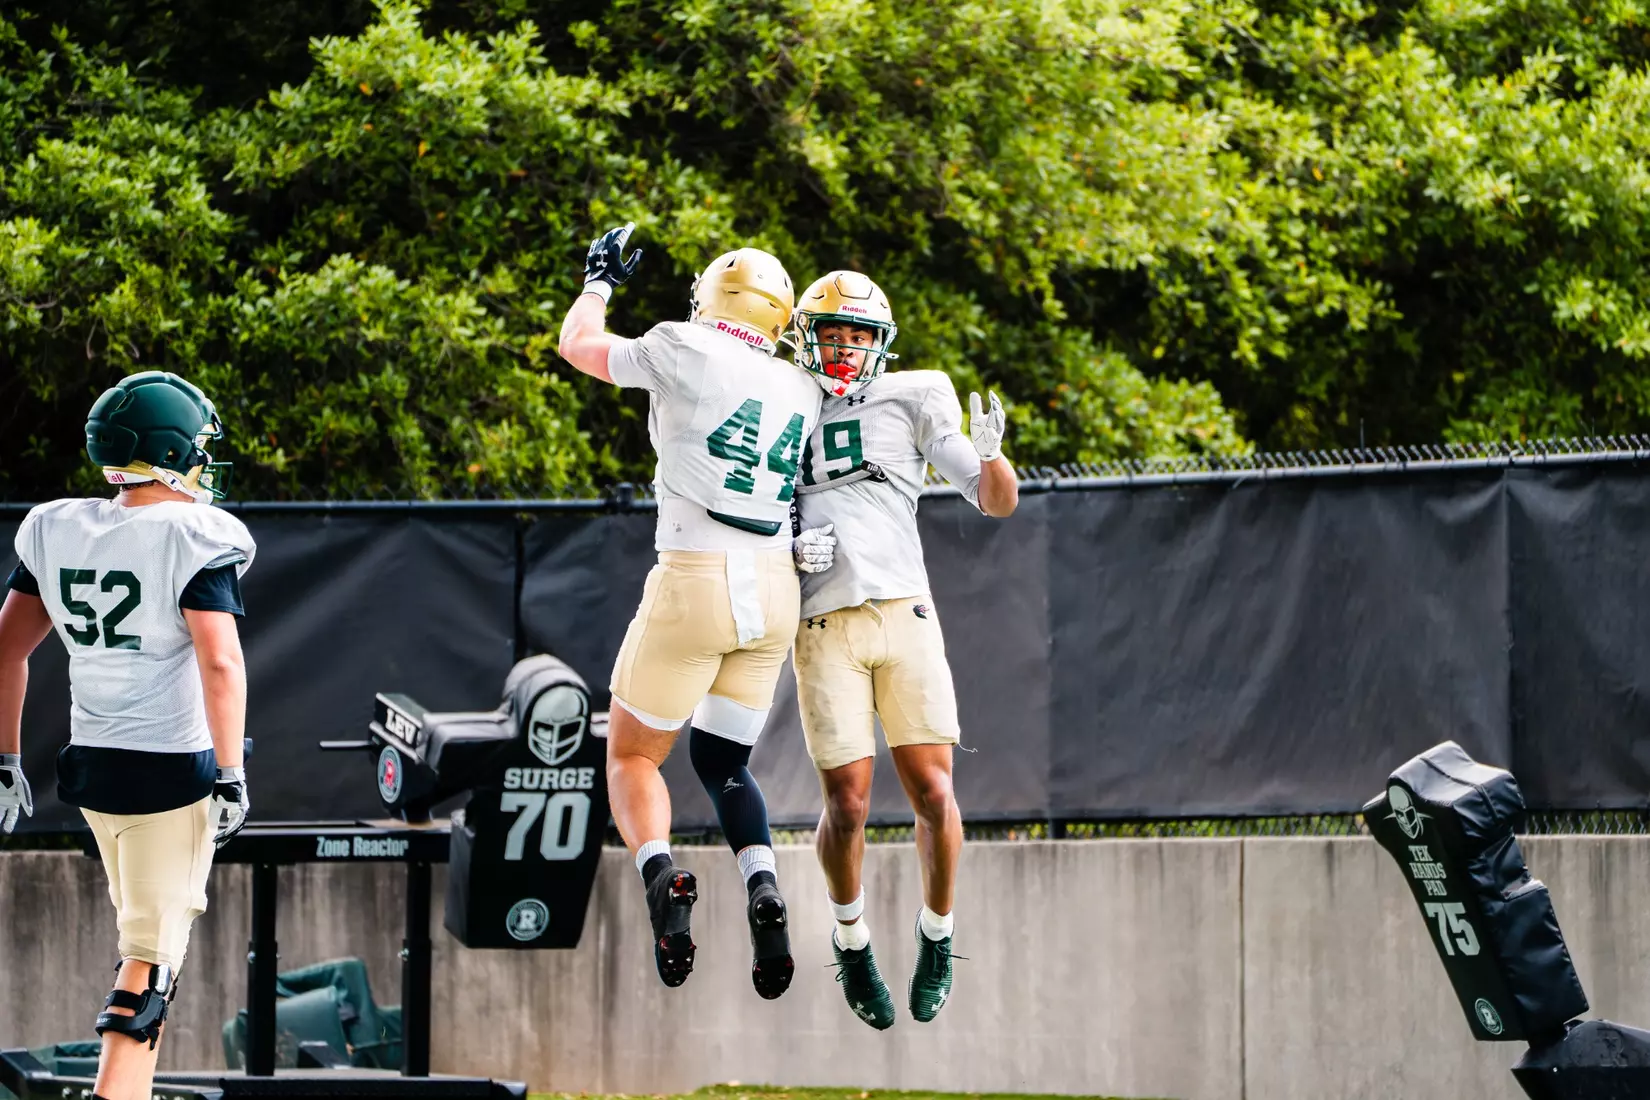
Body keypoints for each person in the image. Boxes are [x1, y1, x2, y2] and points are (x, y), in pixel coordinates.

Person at [557, 224, 825, 997]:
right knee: (723, 761)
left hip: (694, 577)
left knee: (634, 756)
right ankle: (763, 882)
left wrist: (599, 281)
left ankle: (661, 876)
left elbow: (579, 346)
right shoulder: (802, 387)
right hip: (774, 587)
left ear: (712, 297)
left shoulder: (682, 344)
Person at [0, 371, 254, 1100]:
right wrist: (232, 773)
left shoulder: (59, 525)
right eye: (199, 447)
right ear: (173, 450)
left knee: (142, 946)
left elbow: (7, 650)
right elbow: (220, 661)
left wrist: (5, 756)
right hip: (169, 774)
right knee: (148, 971)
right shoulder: (194, 534)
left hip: (92, 771)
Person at [785, 270, 1017, 1028]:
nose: (846, 347)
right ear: (806, 337)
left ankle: (938, 935)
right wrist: (786, 543)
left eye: (858, 334)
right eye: (833, 332)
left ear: (880, 343)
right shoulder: (778, 400)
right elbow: (739, 508)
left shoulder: (915, 394)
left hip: (903, 612)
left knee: (933, 793)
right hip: (822, 623)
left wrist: (992, 457)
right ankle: (851, 940)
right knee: (847, 803)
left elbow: (993, 501)